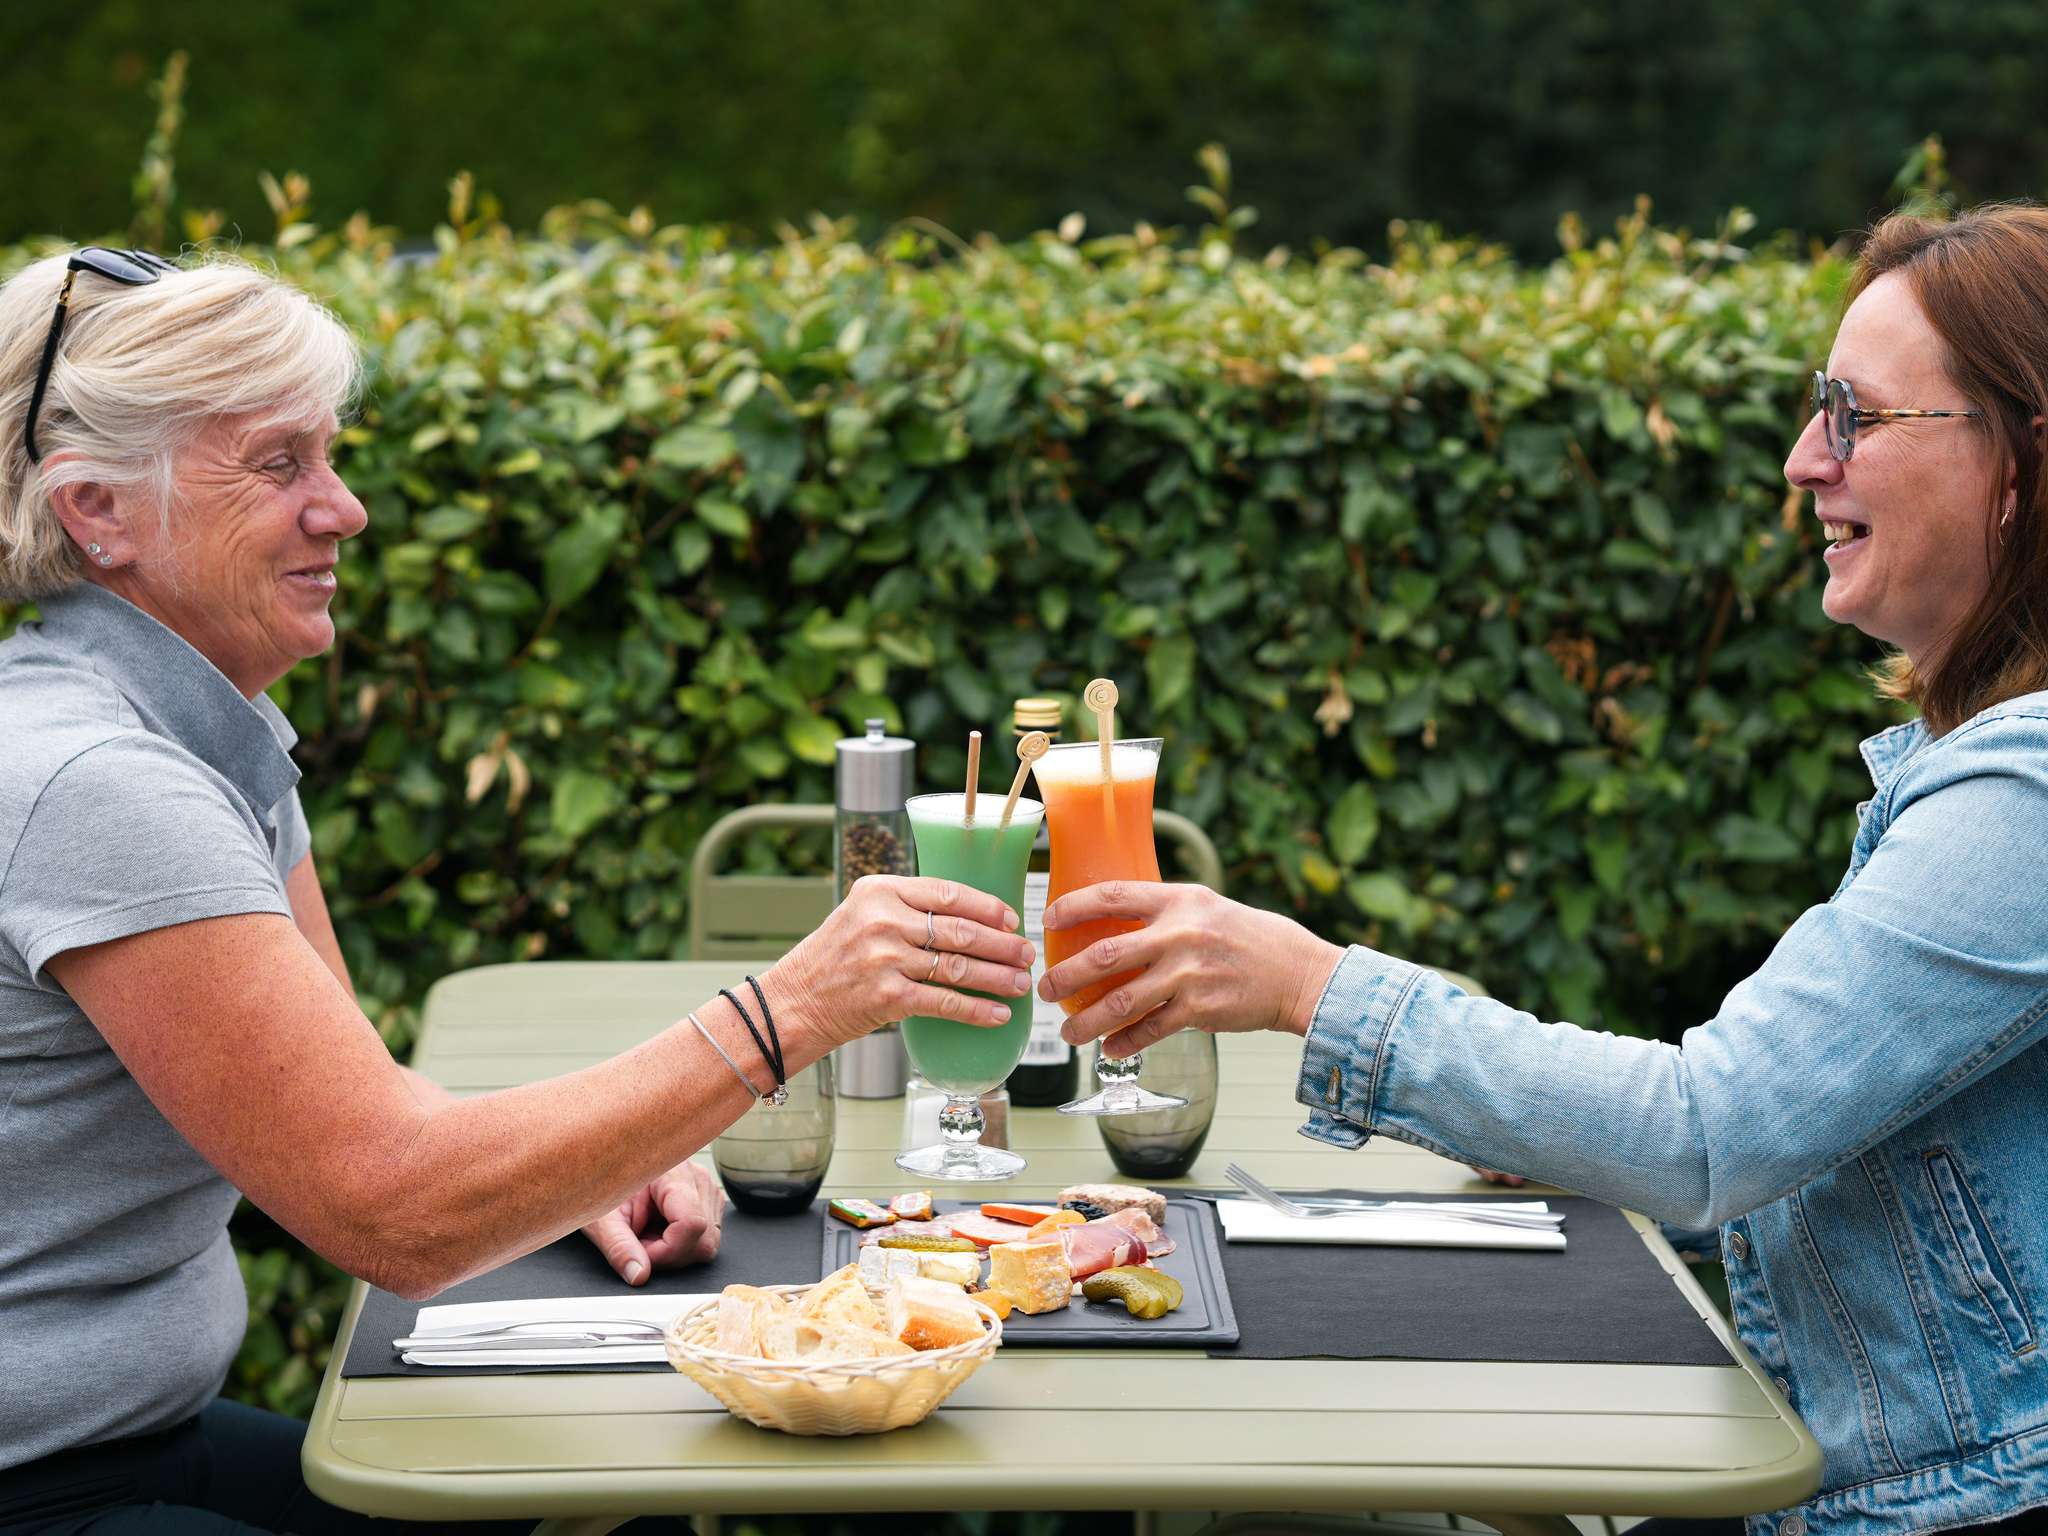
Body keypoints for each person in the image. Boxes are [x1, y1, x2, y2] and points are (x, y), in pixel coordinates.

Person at [1041, 205, 2048, 1536]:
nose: (1804, 460)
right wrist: (1553, 1132)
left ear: (2021, 461)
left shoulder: (2025, 795)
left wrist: (1307, 986)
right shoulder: (1974, 763)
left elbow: (1712, 1132)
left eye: (1854, 416)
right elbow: (1798, 1142)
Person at [0, 249, 1035, 1529]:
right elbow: (392, 1207)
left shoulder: (203, 741)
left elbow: (352, 1118)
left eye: (330, 456)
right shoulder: (101, 783)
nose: (345, 510)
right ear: (97, 510)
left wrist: (583, 1170)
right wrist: (791, 1011)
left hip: (129, 1437)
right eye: (278, 465)